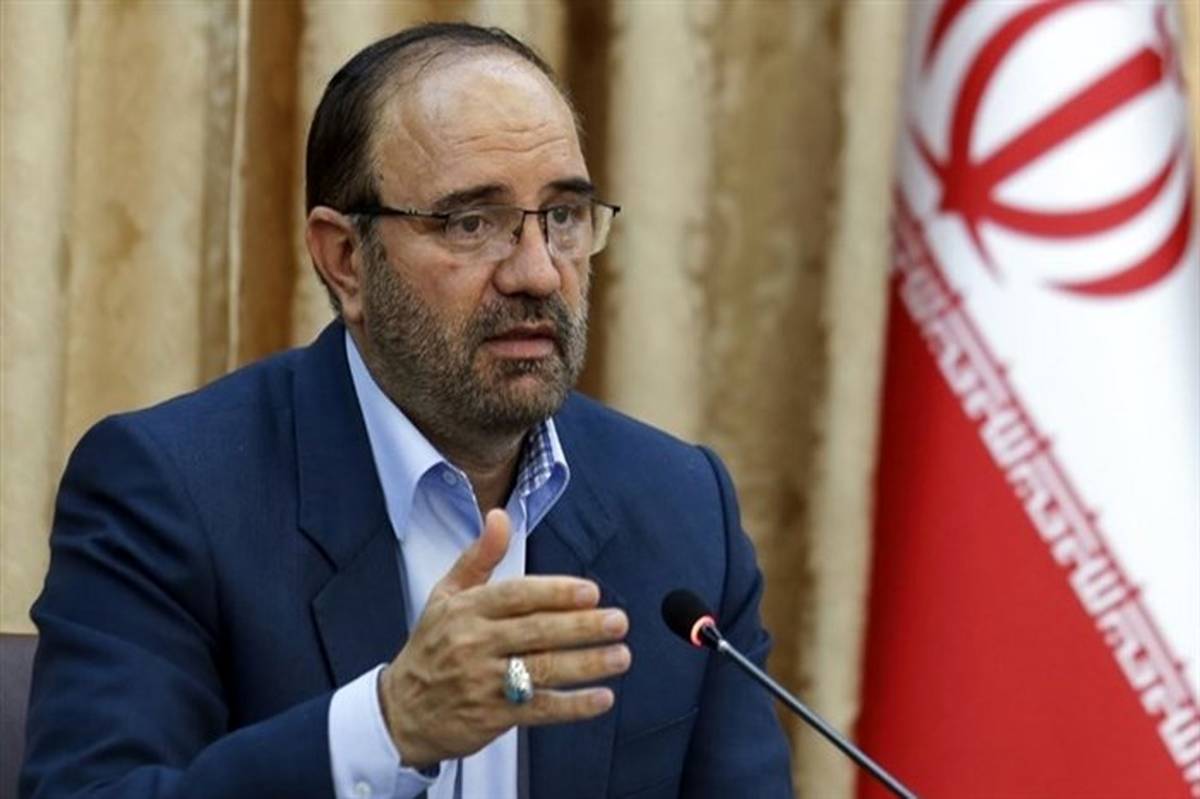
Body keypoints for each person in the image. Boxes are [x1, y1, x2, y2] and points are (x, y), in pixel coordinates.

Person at [20, 22, 793, 799]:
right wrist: (386, 726)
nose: (537, 272)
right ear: (345, 259)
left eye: (563, 216)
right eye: (471, 222)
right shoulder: (171, 493)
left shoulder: (683, 507)